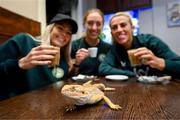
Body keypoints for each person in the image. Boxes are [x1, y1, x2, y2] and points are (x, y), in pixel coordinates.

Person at [0, 13, 78, 100]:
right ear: (50, 28)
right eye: (60, 28)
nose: (64, 34)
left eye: (68, 33)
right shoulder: (24, 41)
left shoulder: (64, 60)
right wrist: (20, 64)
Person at [99, 12, 180, 79]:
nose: (119, 30)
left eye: (123, 25)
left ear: (132, 28)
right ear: (112, 33)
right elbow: (103, 68)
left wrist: (159, 62)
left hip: (158, 90)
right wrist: (131, 74)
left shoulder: (149, 41)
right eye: (114, 27)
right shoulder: (115, 49)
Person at [71, 8, 111, 76]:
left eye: (98, 24)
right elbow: (70, 76)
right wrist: (77, 63)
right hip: (81, 85)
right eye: (90, 23)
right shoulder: (74, 46)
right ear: (84, 25)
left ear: (102, 26)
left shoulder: (108, 48)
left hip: (102, 85)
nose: (94, 28)